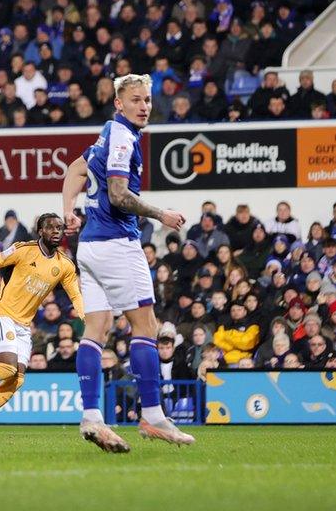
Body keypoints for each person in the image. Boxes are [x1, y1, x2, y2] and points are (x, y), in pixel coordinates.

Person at [63, 73, 193, 452]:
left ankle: (91, 416)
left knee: (97, 328)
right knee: (146, 326)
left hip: (88, 246)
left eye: (148, 100)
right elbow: (119, 195)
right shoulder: (121, 137)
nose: (144, 106)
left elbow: (75, 170)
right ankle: (153, 416)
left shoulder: (107, 132)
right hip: (117, 244)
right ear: (119, 103)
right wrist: (160, 214)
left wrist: (69, 211)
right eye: (136, 100)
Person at [0, 213, 84, 431]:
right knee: (6, 368)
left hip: (23, 325)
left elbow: (75, 295)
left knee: (16, 379)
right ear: (40, 231)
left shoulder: (65, 265)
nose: (56, 231)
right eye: (51, 227)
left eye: (59, 228)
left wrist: (85, 317)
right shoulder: (22, 249)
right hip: (2, 314)